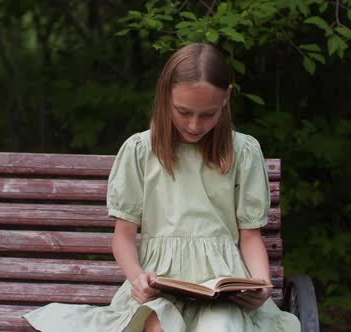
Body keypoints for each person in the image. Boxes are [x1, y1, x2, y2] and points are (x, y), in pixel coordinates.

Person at [23, 43, 300, 331]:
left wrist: (261, 283)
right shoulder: (140, 150)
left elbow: (250, 236)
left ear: (226, 98)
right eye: (183, 112)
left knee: (222, 325)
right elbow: (124, 238)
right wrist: (137, 278)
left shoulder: (242, 152)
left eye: (207, 114)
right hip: (160, 284)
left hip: (222, 287)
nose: (194, 125)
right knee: (159, 325)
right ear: (165, 95)